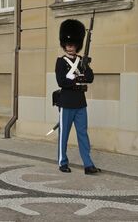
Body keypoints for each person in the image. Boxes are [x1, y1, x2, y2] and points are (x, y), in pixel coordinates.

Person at [55, 19, 101, 175]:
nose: (70, 46)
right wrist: (76, 80)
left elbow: (90, 77)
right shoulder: (61, 62)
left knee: (83, 134)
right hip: (66, 103)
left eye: (73, 44)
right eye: (67, 44)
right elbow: (61, 81)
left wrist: (85, 67)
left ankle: (88, 164)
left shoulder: (82, 61)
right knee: (64, 135)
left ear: (77, 45)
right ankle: (62, 162)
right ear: (64, 44)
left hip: (80, 104)